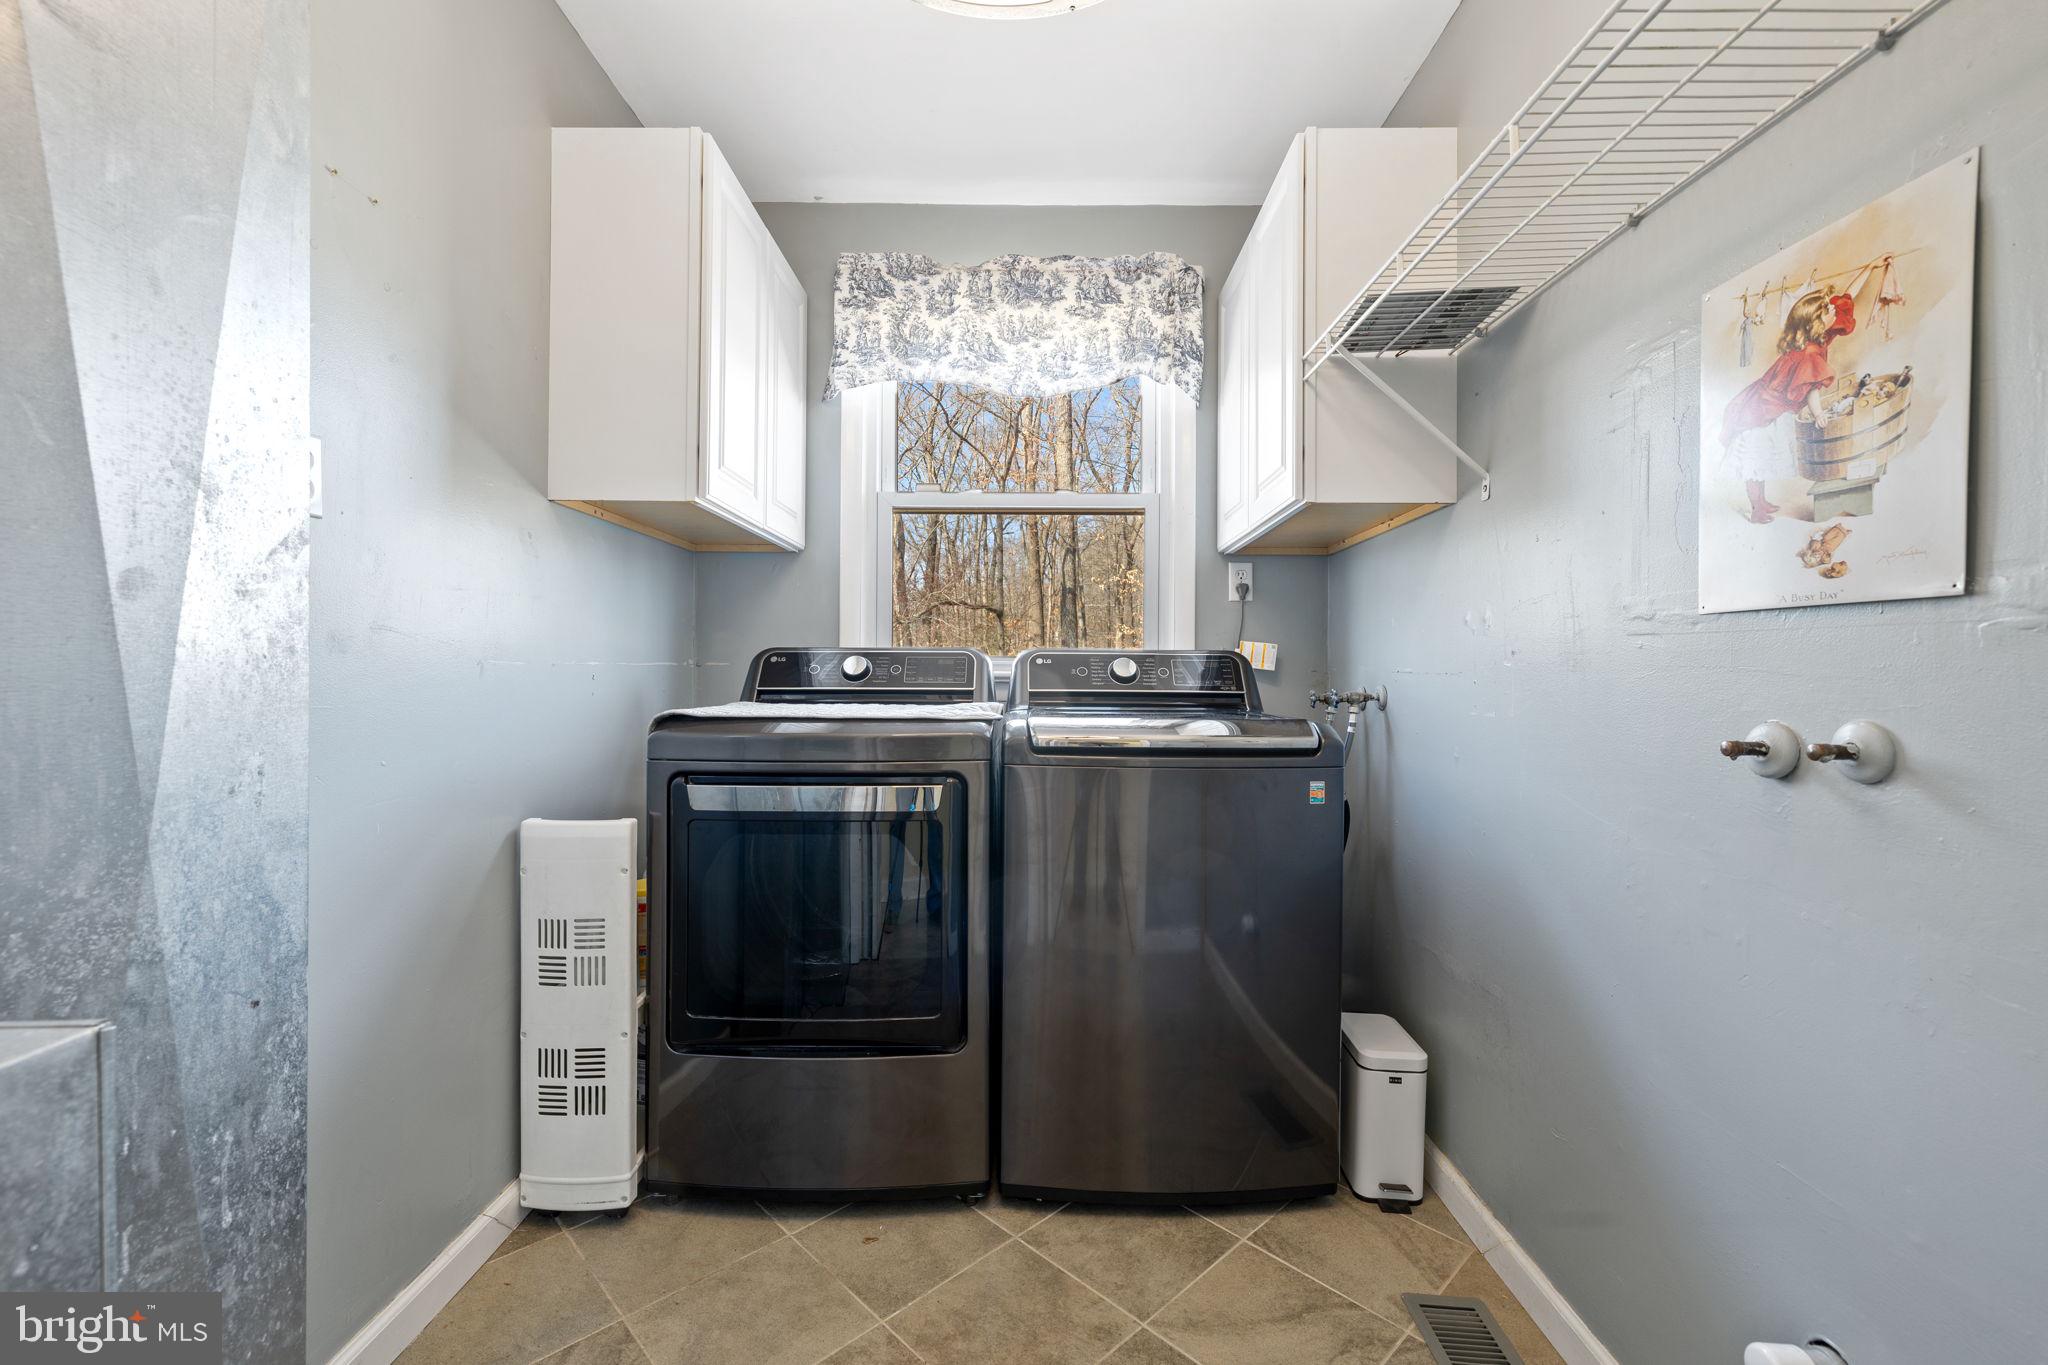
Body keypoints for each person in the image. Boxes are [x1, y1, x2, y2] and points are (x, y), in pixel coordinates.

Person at [1719, 263, 1874, 523]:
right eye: (1829, 310)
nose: (1835, 310)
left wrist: (1869, 269)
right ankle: (1757, 508)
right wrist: (1819, 414)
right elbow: (1812, 389)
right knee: (1756, 459)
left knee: (1762, 460)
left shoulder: (1818, 338)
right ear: (1817, 321)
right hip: (1763, 410)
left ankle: (1761, 502)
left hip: (1770, 405)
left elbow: (1846, 298)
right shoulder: (1809, 352)